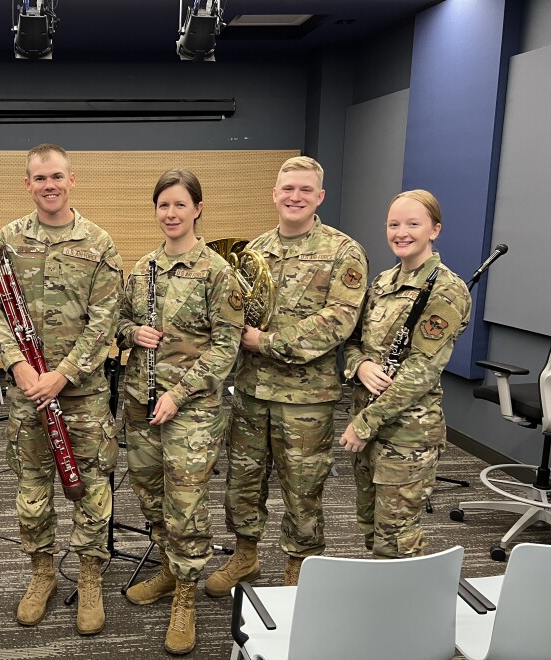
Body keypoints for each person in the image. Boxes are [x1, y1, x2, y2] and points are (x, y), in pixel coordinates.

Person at [206, 156, 369, 593]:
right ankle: (245, 557)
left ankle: (300, 567)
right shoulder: (253, 250)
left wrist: (266, 342)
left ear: (320, 197)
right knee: (242, 481)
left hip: (306, 398)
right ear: (274, 194)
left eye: (304, 190)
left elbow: (340, 320)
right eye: (287, 189)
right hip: (251, 391)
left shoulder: (343, 251)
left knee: (302, 487)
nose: (294, 196)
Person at [0, 144, 124, 635]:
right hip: (27, 395)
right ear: (28, 184)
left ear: (72, 179)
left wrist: (61, 373)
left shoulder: (100, 242)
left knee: (92, 489)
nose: (49, 185)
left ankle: (89, 577)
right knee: (32, 489)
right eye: (40, 178)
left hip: (81, 396)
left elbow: (107, 320)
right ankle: (41, 573)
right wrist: (18, 365)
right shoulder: (7, 240)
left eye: (57, 176)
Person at [117, 169, 242, 655]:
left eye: (179, 205)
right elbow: (124, 319)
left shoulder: (217, 272)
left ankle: (186, 594)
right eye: (163, 205)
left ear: (197, 209)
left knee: (186, 503)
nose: (170, 214)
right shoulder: (143, 267)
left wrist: (179, 392)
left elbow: (226, 346)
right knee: (150, 495)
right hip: (140, 402)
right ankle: (169, 570)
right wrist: (132, 333)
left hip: (191, 409)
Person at [340, 189, 470, 559]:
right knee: (370, 526)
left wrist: (365, 424)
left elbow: (421, 373)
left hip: (406, 435)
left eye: (413, 224)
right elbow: (351, 343)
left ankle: (406, 610)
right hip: (368, 425)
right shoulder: (382, 283)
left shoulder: (446, 290)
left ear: (435, 229)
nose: (401, 232)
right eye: (394, 224)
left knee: (397, 538)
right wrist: (361, 365)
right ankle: (384, 601)